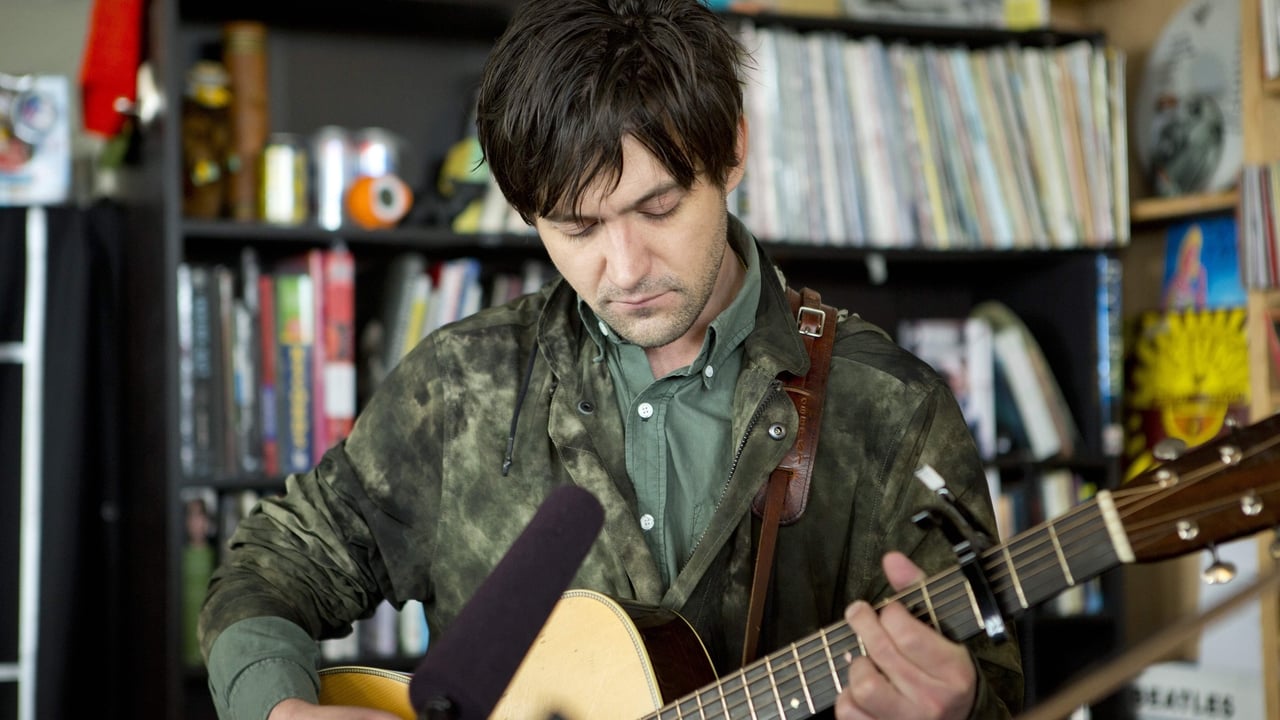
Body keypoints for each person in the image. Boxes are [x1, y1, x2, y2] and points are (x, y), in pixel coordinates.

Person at [199, 0, 1024, 718]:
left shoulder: (892, 408)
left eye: (658, 206)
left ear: (732, 150)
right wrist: (282, 709)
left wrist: (958, 707)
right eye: (577, 227)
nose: (624, 270)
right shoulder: (459, 385)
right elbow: (270, 570)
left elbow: (994, 687)